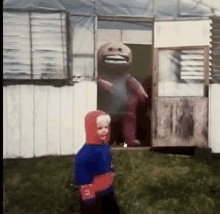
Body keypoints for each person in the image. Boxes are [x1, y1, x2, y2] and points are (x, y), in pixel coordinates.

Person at [74, 110, 120, 214]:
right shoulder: (84, 154)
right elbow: (82, 176)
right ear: (91, 129)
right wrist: (88, 197)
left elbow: (107, 162)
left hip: (108, 190)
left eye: (106, 127)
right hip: (94, 193)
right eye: (99, 128)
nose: (104, 130)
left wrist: (111, 171)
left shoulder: (105, 146)